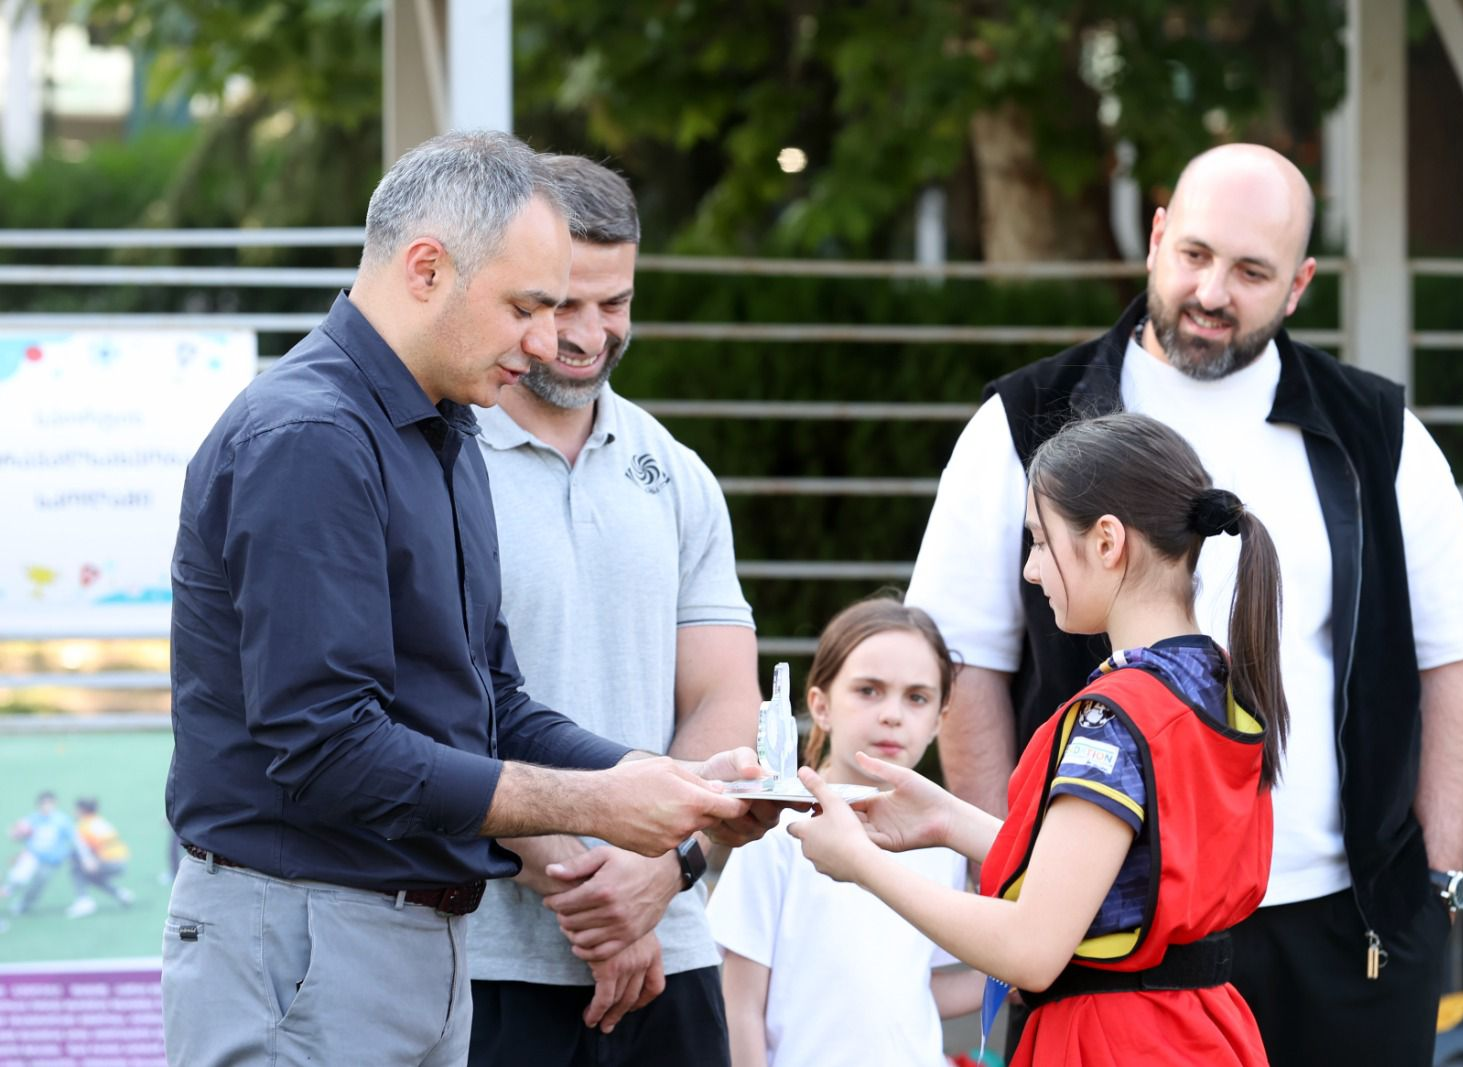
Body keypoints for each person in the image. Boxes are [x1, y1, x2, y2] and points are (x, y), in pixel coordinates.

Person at [162, 130, 772, 1067]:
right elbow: (328, 749)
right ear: (425, 268)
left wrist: (669, 786)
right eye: (527, 307)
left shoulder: (440, 428)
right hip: (303, 937)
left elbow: (493, 703)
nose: (548, 343)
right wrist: (601, 802)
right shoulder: (310, 436)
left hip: (404, 942)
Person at [906, 143, 1463, 1065]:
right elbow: (965, 664)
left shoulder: (1379, 432)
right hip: (1111, 952)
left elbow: (1450, 660)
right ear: (1156, 238)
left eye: (1252, 271)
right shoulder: (1024, 419)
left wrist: (1437, 884)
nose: (1212, 291)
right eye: (1194, 255)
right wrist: (1018, 894)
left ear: (1300, 284)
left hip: (1347, 926)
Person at [792, 414, 1282, 1066]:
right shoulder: (1214, 681)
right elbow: (1120, 876)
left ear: (1106, 541)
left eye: (1041, 541)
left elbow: (1031, 947)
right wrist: (946, 821)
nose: (1029, 569)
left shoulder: (1115, 718)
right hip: (1201, 1029)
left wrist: (862, 862)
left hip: (1111, 1043)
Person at [465, 155, 762, 1066]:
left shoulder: (676, 473)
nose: (591, 334)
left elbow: (722, 699)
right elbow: (434, 711)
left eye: (617, 302)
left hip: (674, 955)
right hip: (485, 959)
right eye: (564, 304)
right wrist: (597, 900)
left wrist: (658, 873)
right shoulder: (440, 458)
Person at [707, 595, 984, 1067]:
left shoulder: (944, 841)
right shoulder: (777, 830)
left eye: (917, 697)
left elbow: (915, 987)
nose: (893, 714)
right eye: (869, 690)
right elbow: (742, 1004)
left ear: (939, 720)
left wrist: (1021, 969)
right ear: (821, 705)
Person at [3, 791, 76, 916]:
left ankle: (24, 904)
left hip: (51, 860)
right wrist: (16, 834)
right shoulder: (31, 819)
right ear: (39, 804)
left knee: (39, 883)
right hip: (33, 856)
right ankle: (8, 890)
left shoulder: (62, 820)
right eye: (44, 803)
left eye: (50, 803)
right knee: (19, 877)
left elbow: (73, 838)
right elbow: (16, 835)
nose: (47, 806)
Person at [65, 796, 135, 918]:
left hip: (109, 861)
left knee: (77, 869)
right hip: (121, 862)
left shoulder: (82, 826)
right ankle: (121, 894)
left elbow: (83, 852)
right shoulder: (100, 821)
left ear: (82, 810)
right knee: (92, 875)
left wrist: (87, 862)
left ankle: (84, 901)